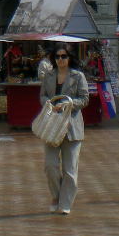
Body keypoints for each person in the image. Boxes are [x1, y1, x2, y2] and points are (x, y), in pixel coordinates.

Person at [39, 46, 90, 215]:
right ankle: (56, 195)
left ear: (69, 58)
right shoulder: (48, 76)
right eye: (57, 56)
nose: (60, 59)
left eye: (64, 56)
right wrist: (50, 104)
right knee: (50, 165)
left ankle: (65, 203)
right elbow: (43, 96)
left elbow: (84, 99)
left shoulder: (78, 76)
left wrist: (69, 104)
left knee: (70, 170)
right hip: (52, 126)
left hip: (71, 127)